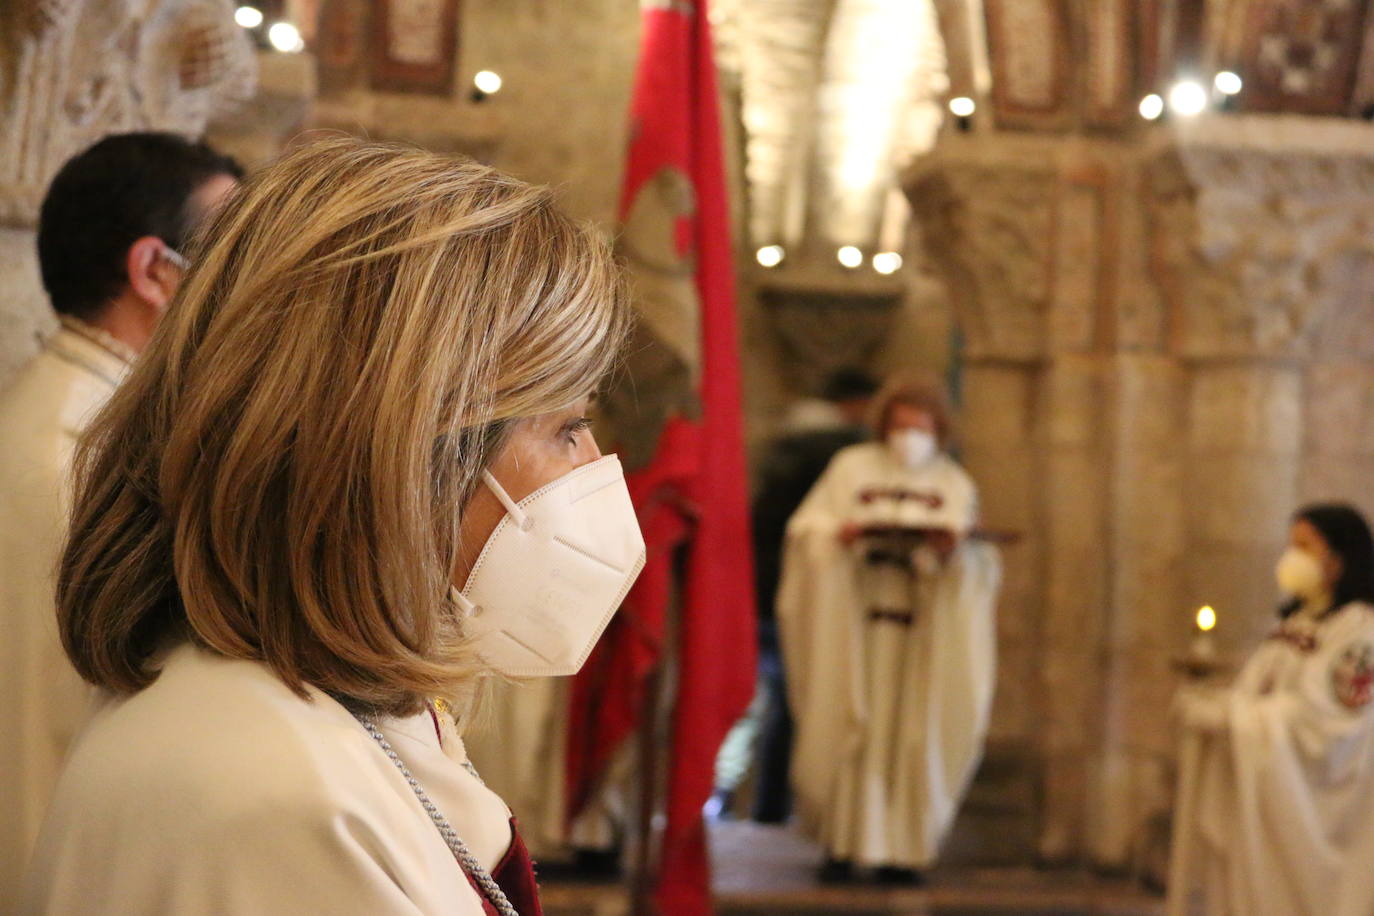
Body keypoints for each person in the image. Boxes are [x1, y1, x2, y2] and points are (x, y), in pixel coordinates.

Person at [22, 137, 641, 915]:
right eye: (566, 428)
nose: (590, 468)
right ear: (406, 454)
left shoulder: (309, 708)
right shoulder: (274, 794)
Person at [0, 132, 240, 909]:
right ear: (153, 273)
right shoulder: (85, 462)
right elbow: (57, 732)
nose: (252, 290)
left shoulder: (78, 418)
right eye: (232, 257)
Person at [776, 373, 1001, 883]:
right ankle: (843, 842)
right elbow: (806, 533)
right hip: (857, 626)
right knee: (855, 729)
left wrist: (952, 556)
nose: (909, 437)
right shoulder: (850, 469)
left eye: (920, 428)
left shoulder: (952, 482)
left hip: (920, 634)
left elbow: (978, 558)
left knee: (911, 737)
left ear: (939, 430)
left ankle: (903, 850)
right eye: (899, 426)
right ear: (884, 424)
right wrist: (839, 537)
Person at [1170, 504, 1374, 916]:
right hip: (1262, 799)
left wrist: (1231, 718)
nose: (1291, 557)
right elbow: (1257, 691)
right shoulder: (1294, 625)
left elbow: (1329, 724)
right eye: (1290, 545)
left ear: (1339, 559)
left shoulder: (1360, 633)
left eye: (1304, 546)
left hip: (1318, 808)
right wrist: (1219, 703)